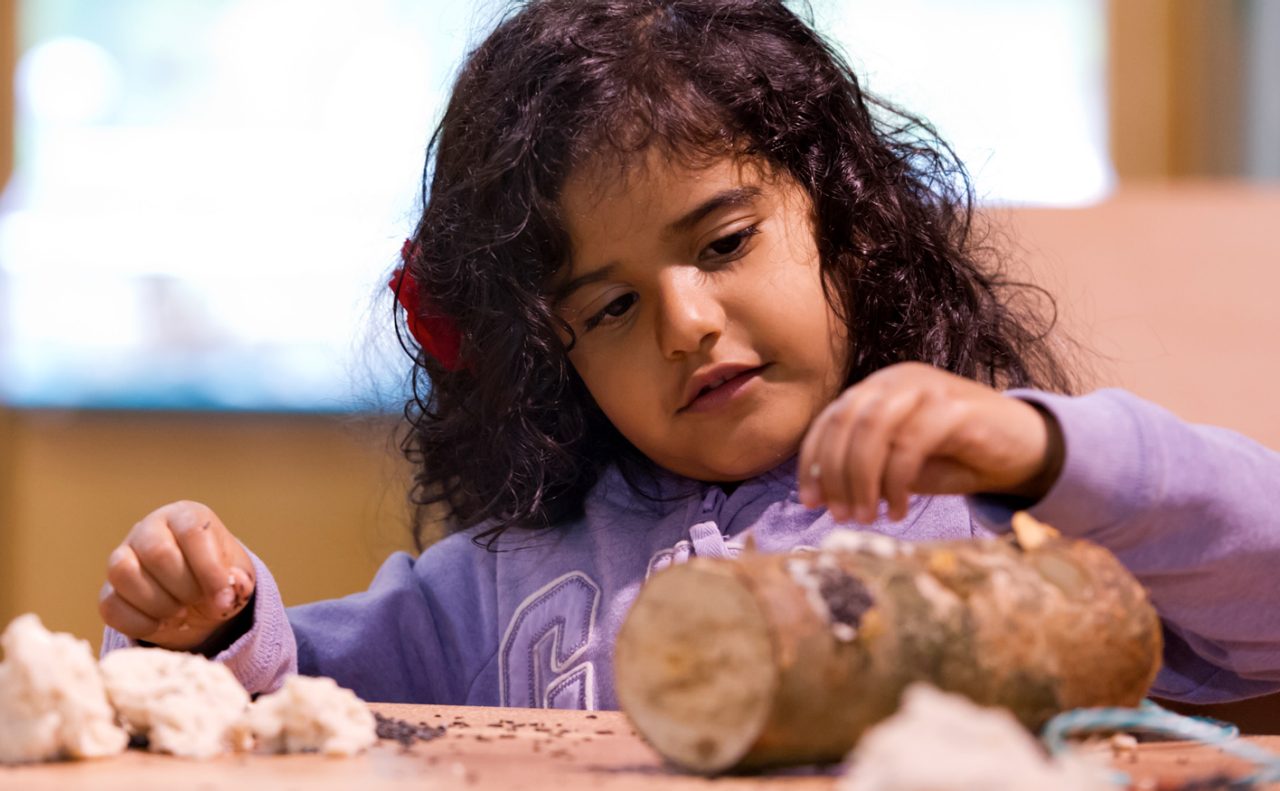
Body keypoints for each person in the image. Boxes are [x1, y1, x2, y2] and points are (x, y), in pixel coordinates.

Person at [99, 0, 1280, 710]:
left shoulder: (1010, 521)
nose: (684, 321)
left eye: (722, 241)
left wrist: (1039, 449)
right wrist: (204, 618)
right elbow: (286, 697)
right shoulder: (499, 584)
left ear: (846, 215)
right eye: (607, 308)